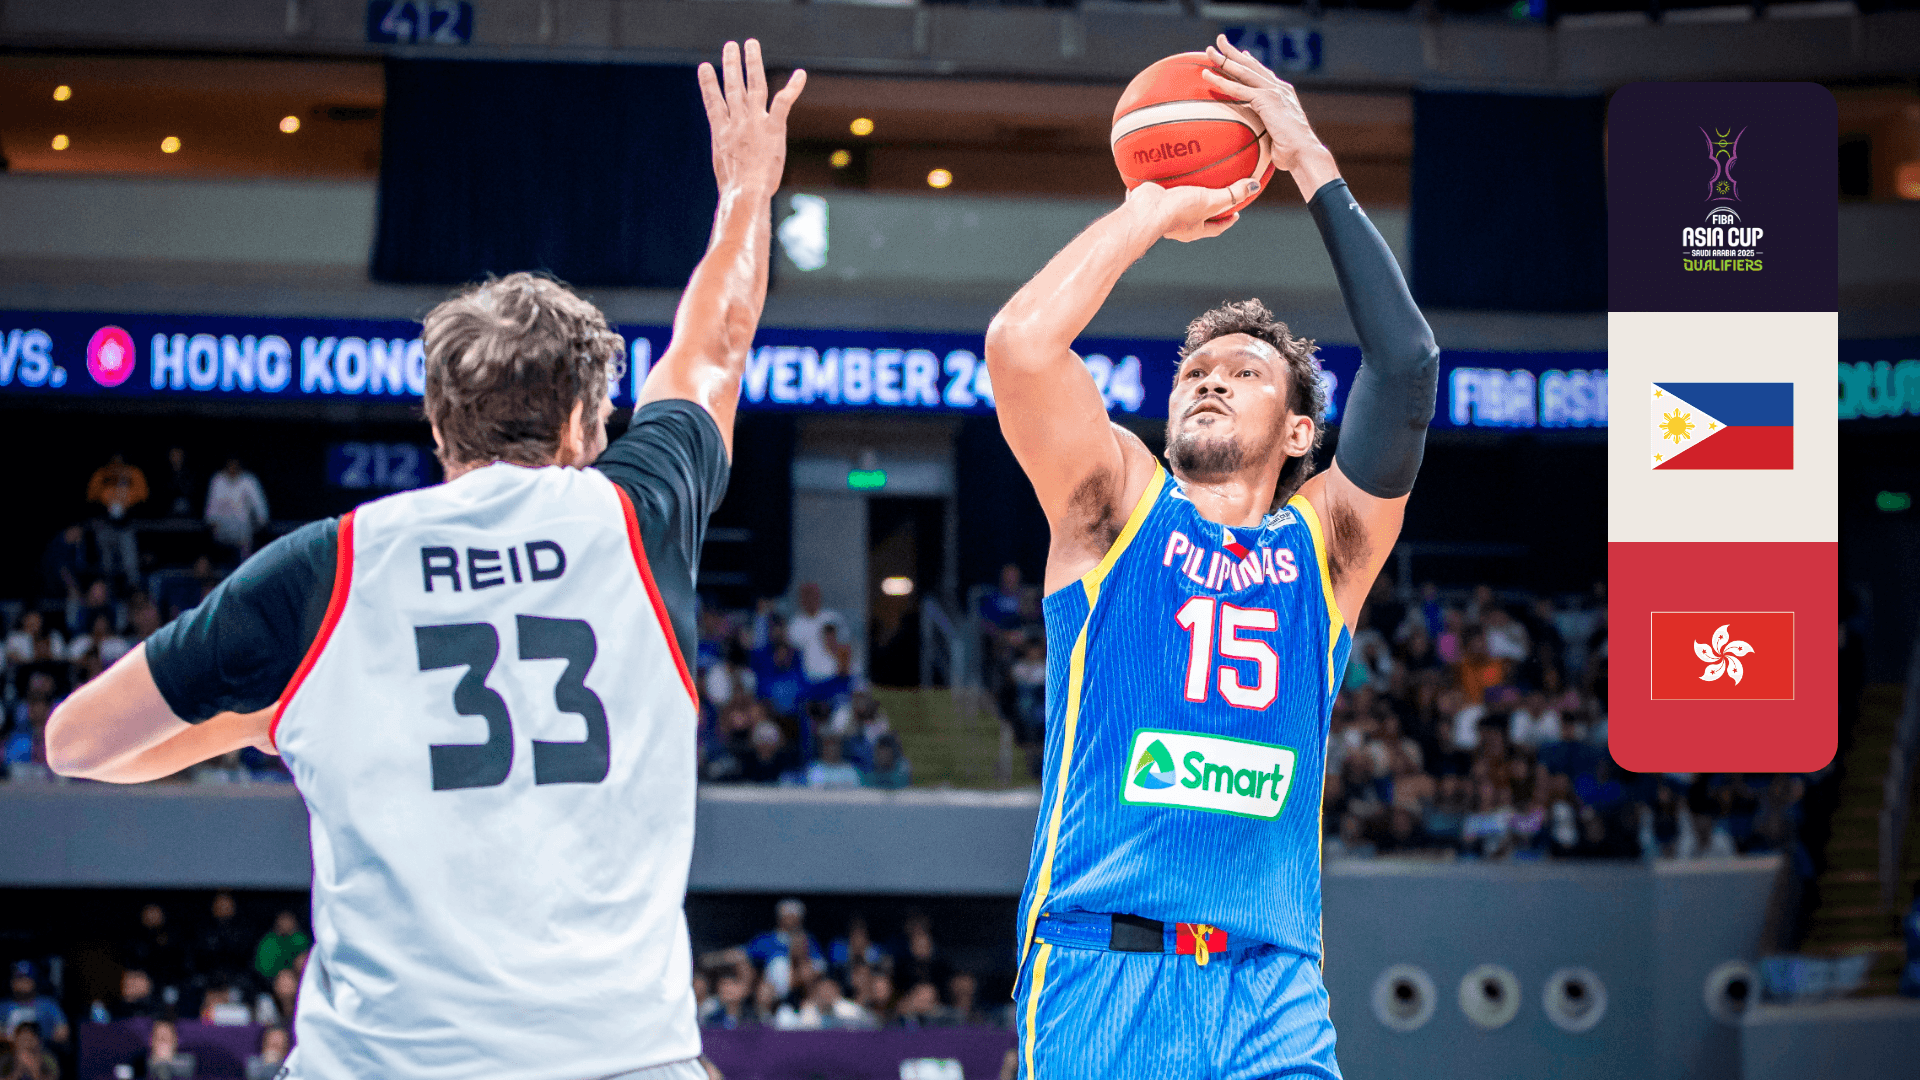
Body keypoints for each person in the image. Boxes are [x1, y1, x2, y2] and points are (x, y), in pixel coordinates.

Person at [45, 39, 805, 1080]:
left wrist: (267, 720)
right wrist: (747, 191)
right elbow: (714, 344)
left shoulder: (328, 567)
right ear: (584, 423)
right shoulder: (638, 516)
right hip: (619, 1061)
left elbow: (78, 743)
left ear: (438, 425)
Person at [983, 35, 1437, 1080]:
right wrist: (1150, 209)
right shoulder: (1117, 507)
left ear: (1299, 433)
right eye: (1194, 370)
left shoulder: (1328, 549)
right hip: (1105, 970)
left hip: (1275, 987)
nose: (1211, 379)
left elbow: (1408, 362)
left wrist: (1307, 154)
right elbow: (1020, 348)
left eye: (1244, 373)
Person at [87, 453, 149, 589]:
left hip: (126, 525)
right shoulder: (102, 474)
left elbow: (143, 498)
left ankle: (133, 592)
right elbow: (91, 498)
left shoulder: (134, 473)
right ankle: (107, 592)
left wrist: (128, 508)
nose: (117, 464)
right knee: (106, 565)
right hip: (105, 525)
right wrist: (104, 508)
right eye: (114, 461)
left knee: (130, 565)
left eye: (120, 461)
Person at [203, 459, 269, 561]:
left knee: (244, 558)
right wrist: (211, 522)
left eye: (235, 466)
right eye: (230, 466)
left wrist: (261, 522)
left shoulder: (249, 480)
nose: (232, 468)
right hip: (222, 532)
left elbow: (260, 507)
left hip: (243, 534)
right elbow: (211, 508)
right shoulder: (218, 480)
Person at [3, 964, 68, 1053]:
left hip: (42, 1053)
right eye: (19, 978)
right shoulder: (4, 1007)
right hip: (10, 1054)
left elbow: (63, 1033)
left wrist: (37, 1040)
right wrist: (18, 1041)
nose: (23, 982)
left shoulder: (48, 1005)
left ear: (35, 981)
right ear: (12, 982)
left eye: (27, 978)